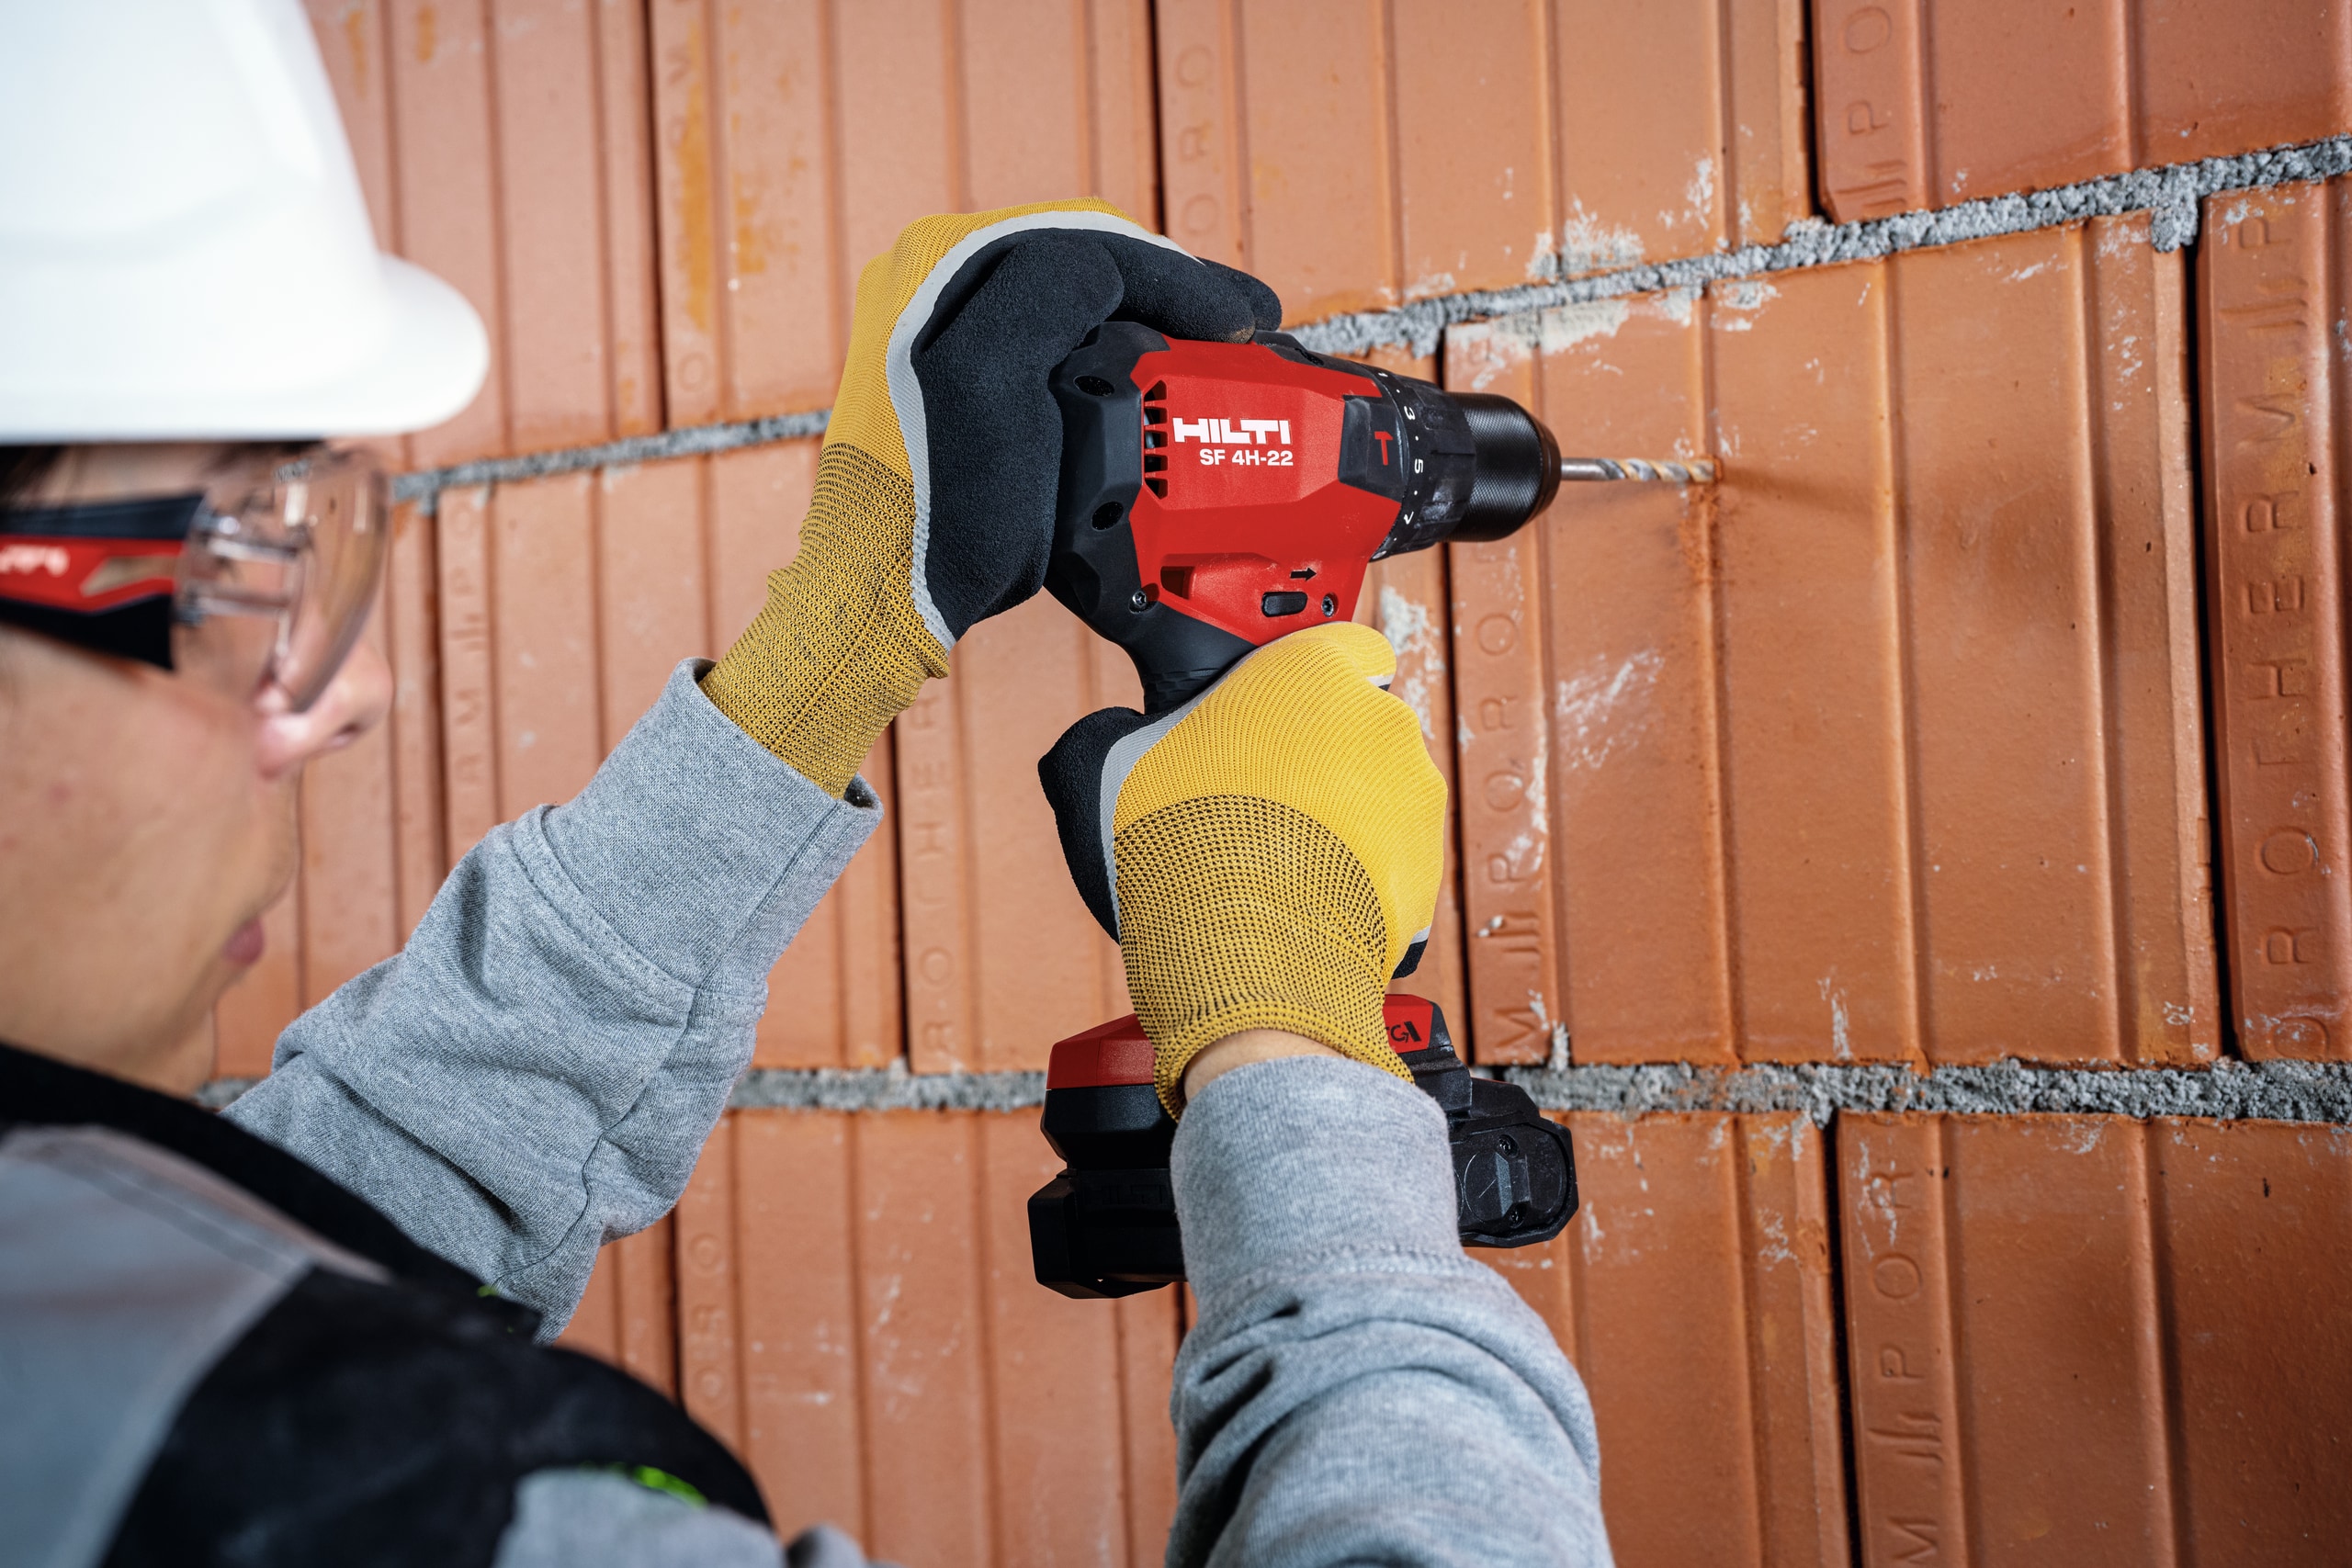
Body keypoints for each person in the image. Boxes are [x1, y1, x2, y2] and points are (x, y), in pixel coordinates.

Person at [0, 3, 1610, 1564]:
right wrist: (1283, 1030)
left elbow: (332, 1219)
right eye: (239, 561)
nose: (358, 691)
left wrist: (834, 651)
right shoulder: (367, 1498)